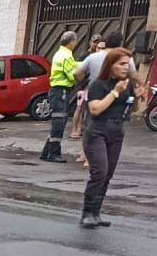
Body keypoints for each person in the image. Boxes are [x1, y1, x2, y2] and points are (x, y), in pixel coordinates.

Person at [80, 47, 135, 228]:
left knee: (108, 174)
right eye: (121, 64)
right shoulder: (99, 85)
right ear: (110, 65)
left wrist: (139, 98)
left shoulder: (127, 85)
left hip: (117, 130)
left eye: (128, 64)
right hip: (97, 130)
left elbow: (129, 110)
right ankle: (86, 213)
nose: (126, 67)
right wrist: (115, 92)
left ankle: (96, 213)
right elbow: (95, 109)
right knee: (99, 172)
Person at [41, 30, 79, 162]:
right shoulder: (66, 56)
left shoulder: (60, 53)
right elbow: (72, 75)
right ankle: (54, 153)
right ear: (72, 42)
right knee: (59, 122)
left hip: (56, 91)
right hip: (61, 91)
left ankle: (46, 152)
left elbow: (73, 66)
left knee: (57, 122)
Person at [69, 35, 111, 144]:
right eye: (96, 44)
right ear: (91, 43)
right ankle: (75, 129)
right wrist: (82, 82)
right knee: (80, 108)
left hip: (96, 90)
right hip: (84, 87)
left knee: (88, 113)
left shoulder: (105, 59)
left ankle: (83, 131)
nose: (97, 47)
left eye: (102, 47)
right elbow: (78, 71)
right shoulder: (87, 56)